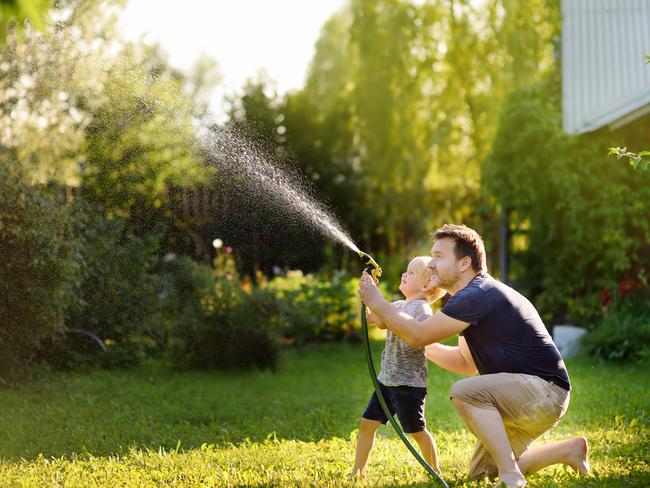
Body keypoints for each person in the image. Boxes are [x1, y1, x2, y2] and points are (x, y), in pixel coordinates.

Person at [358, 224, 590, 488]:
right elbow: (465, 363)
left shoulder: (476, 294)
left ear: (464, 263)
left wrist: (378, 303)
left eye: (439, 256)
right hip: (531, 395)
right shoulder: (468, 298)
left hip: (543, 392)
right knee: (481, 473)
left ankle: (511, 477)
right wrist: (421, 347)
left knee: (465, 392)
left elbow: (418, 335)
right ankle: (569, 451)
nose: (431, 264)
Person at [349, 256, 445, 479]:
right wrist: (364, 294)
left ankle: (434, 469)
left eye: (411, 273)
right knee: (366, 423)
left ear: (425, 285)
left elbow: (405, 330)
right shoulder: (397, 306)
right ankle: (358, 470)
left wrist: (378, 301)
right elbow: (371, 319)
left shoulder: (422, 309)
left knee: (416, 430)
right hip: (386, 380)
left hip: (408, 385)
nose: (404, 274)